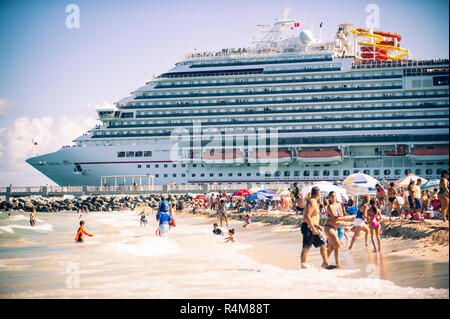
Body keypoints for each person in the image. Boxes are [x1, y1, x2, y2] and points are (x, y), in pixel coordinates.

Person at [300, 186, 336, 269]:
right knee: (306, 247)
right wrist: (313, 228)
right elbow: (307, 216)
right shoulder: (312, 201)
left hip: (312, 226)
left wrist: (317, 225)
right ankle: (303, 265)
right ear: (318, 193)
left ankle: (325, 264)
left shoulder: (314, 201)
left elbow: (312, 216)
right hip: (309, 227)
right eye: (320, 193)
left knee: (323, 244)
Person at [323, 191, 349, 269]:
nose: (334, 197)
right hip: (328, 227)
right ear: (329, 197)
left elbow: (341, 215)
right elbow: (335, 217)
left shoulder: (338, 204)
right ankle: (337, 264)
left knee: (331, 248)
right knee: (337, 245)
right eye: (332, 196)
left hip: (335, 227)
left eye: (335, 196)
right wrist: (339, 216)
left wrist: (340, 217)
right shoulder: (329, 206)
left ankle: (324, 263)